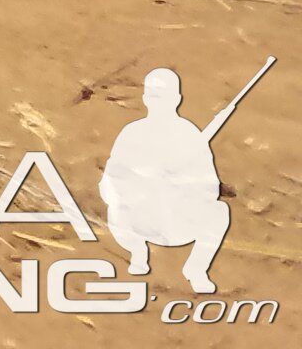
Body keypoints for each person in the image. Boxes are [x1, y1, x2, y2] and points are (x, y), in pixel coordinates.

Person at [101, 67, 235, 293]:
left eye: (165, 96)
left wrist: (180, 184)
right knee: (116, 208)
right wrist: (142, 184)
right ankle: (137, 252)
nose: (159, 102)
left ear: (177, 99)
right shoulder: (132, 133)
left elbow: (209, 186)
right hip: (140, 219)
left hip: (179, 220)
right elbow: (111, 180)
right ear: (145, 99)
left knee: (219, 212)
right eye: (154, 96)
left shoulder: (190, 134)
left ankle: (196, 269)